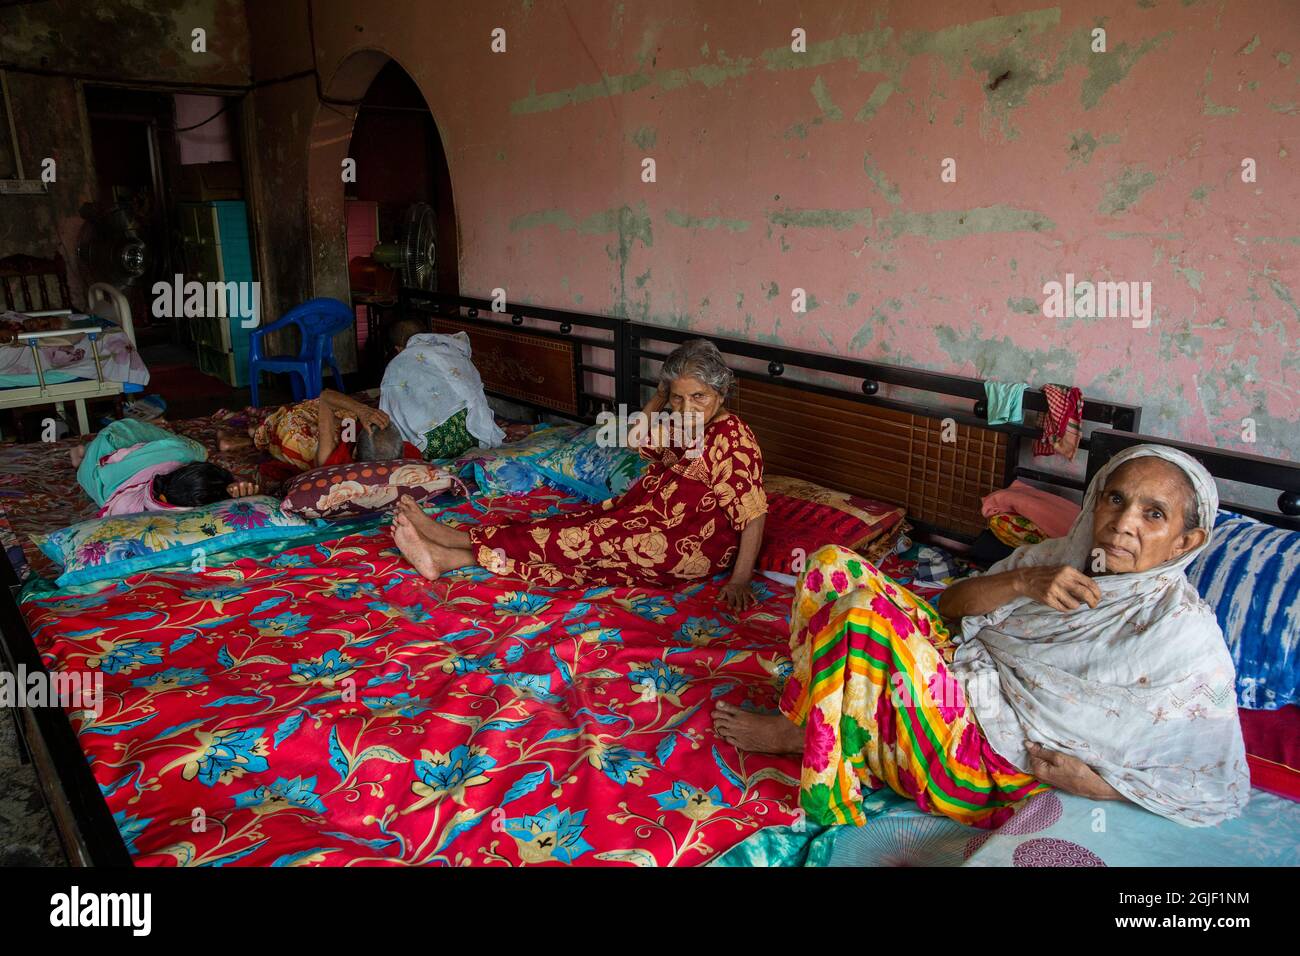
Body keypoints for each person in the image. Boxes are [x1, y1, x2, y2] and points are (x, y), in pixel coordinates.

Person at [713, 444, 1248, 829]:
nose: (1123, 522)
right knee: (833, 566)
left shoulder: (1183, 633)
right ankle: (828, 720)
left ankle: (813, 738)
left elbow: (1213, 780)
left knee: (862, 619)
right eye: (1115, 499)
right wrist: (1022, 581)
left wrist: (1098, 785)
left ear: (1186, 541)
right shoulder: (1055, 558)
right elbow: (948, 607)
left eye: (1154, 514)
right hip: (962, 675)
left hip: (986, 757)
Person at [392, 338, 769, 612]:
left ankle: (455, 542)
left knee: (578, 544)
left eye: (698, 397)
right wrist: (660, 396)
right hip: (644, 519)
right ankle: (450, 555)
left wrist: (739, 580)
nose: (686, 408)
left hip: (683, 545)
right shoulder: (686, 424)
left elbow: (754, 515)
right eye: (678, 398)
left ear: (720, 394)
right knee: (566, 528)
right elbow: (637, 436)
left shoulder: (734, 441)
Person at [70, 418, 257, 517]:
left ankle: (84, 451)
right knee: (191, 451)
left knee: (195, 451)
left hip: (111, 444)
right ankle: (82, 453)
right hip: (89, 472)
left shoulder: (178, 456)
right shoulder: (173, 503)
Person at [379, 330, 505, 460]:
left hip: (436, 445)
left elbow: (393, 408)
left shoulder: (400, 362)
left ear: (398, 348)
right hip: (477, 432)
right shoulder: (451, 348)